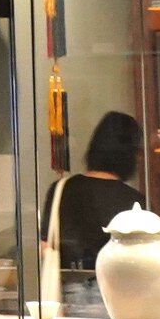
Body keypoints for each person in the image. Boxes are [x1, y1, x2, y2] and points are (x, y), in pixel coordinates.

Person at [52, 109, 145, 281]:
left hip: (68, 287)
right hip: (117, 287)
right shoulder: (135, 202)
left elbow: (46, 246)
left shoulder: (62, 189)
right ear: (130, 154)